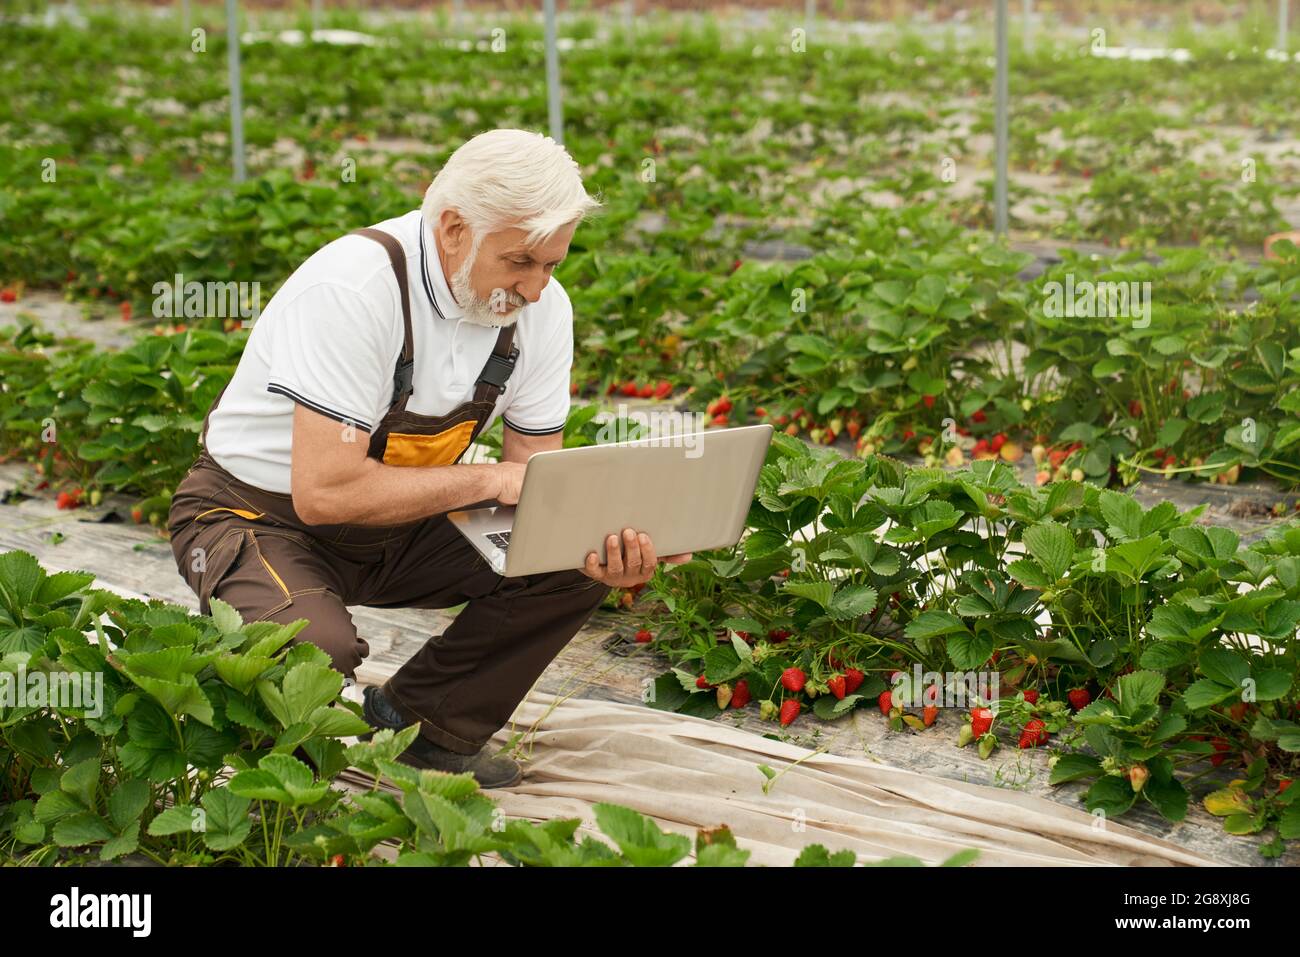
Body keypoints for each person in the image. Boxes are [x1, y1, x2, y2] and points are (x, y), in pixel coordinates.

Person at [167, 129, 691, 788]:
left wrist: (610, 538)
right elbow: (324, 492)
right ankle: (263, 759)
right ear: (452, 229)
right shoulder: (356, 288)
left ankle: (426, 728)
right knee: (308, 654)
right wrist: (493, 477)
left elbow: (537, 484)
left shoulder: (542, 314)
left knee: (563, 547)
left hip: (400, 518)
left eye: (552, 264)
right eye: (520, 261)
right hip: (256, 514)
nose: (535, 287)